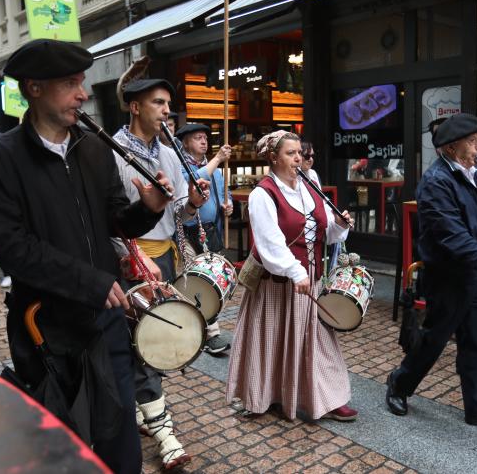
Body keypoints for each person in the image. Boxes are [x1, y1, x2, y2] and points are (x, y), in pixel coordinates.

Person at [0, 39, 172, 474]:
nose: (83, 94)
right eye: (70, 84)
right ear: (34, 88)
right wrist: (92, 282)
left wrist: (148, 208)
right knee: (62, 449)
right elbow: (13, 250)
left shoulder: (92, 148)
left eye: (82, 83)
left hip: (105, 326)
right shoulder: (2, 159)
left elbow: (114, 222)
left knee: (120, 444)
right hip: (46, 329)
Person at [385, 113, 477, 428]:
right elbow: (453, 236)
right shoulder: (436, 182)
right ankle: (399, 382)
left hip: (475, 272)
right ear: (452, 148)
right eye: (473, 141)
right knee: (435, 338)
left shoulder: (476, 174)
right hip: (449, 276)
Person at [111, 76, 211, 470]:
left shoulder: (169, 154)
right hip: (130, 261)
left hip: (164, 259)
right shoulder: (114, 153)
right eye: (157, 103)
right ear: (134, 107)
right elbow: (110, 218)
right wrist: (132, 254)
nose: (167, 110)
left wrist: (194, 203)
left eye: (168, 103)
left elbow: (180, 210)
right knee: (146, 345)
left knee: (154, 341)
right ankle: (166, 434)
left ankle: (144, 409)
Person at [226, 130, 357, 422]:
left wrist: (339, 224)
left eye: (300, 152)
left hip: (311, 276)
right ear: (273, 157)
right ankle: (264, 396)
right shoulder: (263, 193)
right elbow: (268, 241)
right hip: (278, 281)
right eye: (290, 153)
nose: (298, 157)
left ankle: (330, 398)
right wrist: (295, 271)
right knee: (272, 340)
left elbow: (328, 233)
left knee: (320, 339)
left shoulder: (311, 184)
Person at [175, 123, 234, 353]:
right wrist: (218, 158)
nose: (203, 141)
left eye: (205, 137)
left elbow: (224, 194)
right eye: (197, 138)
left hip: (210, 231)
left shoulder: (216, 171)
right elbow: (195, 179)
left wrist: (228, 206)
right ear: (186, 142)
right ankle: (212, 333)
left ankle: (195, 322)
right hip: (187, 232)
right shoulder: (181, 166)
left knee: (211, 279)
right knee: (199, 279)